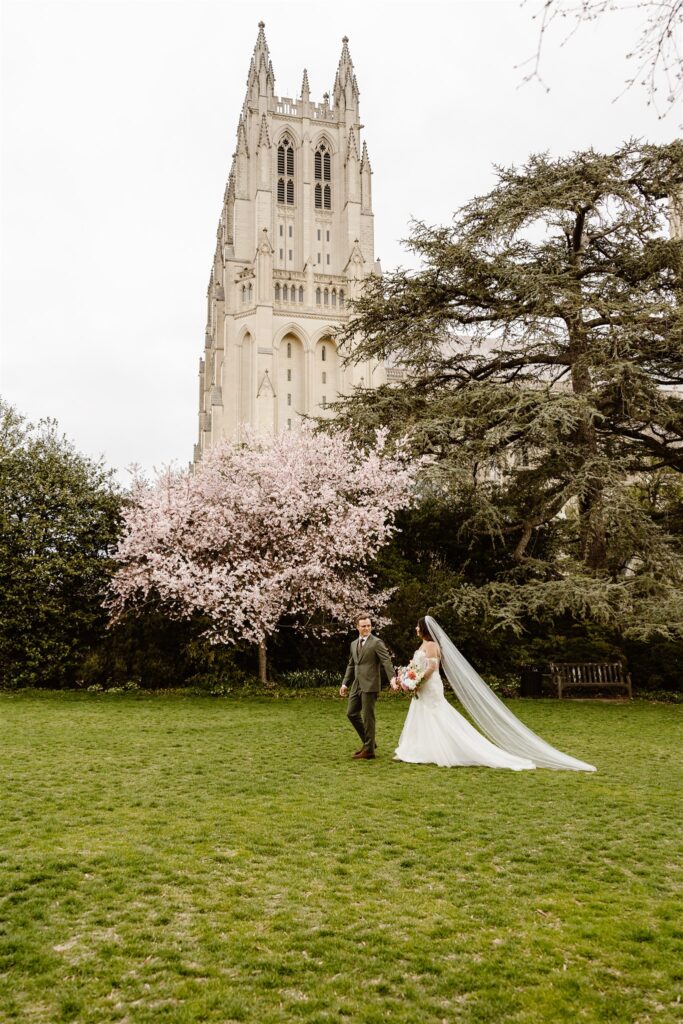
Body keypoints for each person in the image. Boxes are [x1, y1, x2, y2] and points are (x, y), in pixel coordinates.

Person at [392, 616, 596, 772]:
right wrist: (409, 678)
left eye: (418, 626)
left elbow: (430, 669)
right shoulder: (423, 645)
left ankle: (445, 749)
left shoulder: (432, 646)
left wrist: (416, 681)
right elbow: (417, 667)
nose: (416, 629)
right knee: (422, 714)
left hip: (430, 685)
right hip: (423, 687)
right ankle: (417, 749)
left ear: (425, 629)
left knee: (437, 715)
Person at [340, 613, 395, 760]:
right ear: (357, 627)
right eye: (363, 626)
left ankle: (369, 750)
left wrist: (393, 679)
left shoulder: (376, 643)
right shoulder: (353, 644)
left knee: (368, 717)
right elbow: (351, 665)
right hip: (356, 684)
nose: (366, 628)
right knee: (351, 713)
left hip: (370, 684)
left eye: (369, 625)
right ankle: (369, 743)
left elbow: (386, 662)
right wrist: (345, 683)